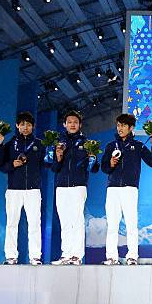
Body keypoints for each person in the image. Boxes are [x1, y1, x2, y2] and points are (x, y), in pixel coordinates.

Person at [100, 114, 152, 265]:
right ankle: (111, 257)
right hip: (113, 189)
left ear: (131, 128)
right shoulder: (110, 146)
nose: (120, 128)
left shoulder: (138, 146)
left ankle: (132, 255)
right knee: (112, 224)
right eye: (118, 125)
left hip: (130, 189)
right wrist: (111, 164)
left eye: (123, 126)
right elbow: (104, 168)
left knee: (131, 224)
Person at [0, 111, 46, 265]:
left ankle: (35, 256)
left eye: (28, 125)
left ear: (33, 127)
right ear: (17, 126)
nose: (25, 127)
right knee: (11, 223)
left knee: (34, 223)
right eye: (22, 124)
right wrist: (11, 164)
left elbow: (48, 163)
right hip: (14, 190)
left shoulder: (39, 144)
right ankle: (11, 256)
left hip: (33, 190)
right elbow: (0, 164)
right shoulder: (10, 144)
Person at [50, 110, 99, 266]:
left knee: (77, 221)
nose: (72, 124)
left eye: (75, 122)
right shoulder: (58, 143)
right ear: (64, 124)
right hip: (62, 186)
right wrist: (58, 157)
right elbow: (54, 168)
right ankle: (66, 254)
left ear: (80, 125)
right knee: (64, 221)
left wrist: (92, 159)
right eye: (69, 122)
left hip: (78, 186)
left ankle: (77, 256)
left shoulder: (87, 143)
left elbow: (95, 168)